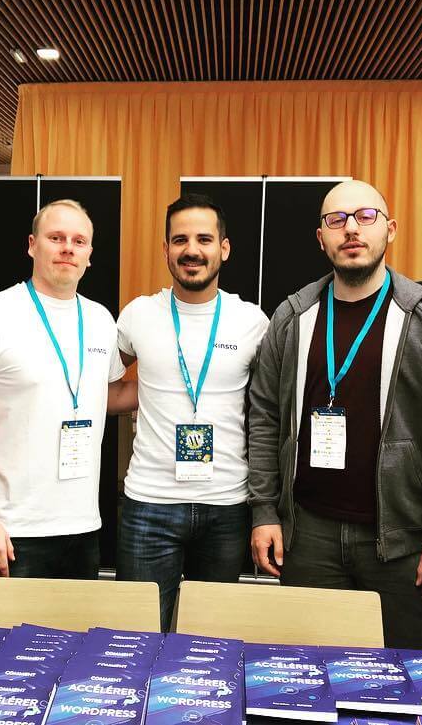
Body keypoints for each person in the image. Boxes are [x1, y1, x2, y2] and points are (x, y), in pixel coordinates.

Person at [248, 179, 422, 650]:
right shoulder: (292, 317)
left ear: (390, 229)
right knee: (307, 674)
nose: (352, 229)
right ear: (322, 238)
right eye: (336, 220)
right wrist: (264, 510)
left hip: (402, 542)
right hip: (308, 538)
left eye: (365, 216)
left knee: (403, 677)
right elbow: (264, 416)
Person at [0, 199, 135, 579]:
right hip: (10, 530)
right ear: (32, 245)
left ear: (89, 255)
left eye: (79, 241)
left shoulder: (100, 320)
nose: (68, 248)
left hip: (82, 526)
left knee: (76, 622)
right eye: (56, 237)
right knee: (5, 623)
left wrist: (171, 385)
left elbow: (109, 397)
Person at [116, 193, 268, 630]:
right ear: (166, 249)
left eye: (204, 239)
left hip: (226, 505)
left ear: (224, 248)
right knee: (138, 635)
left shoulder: (252, 321)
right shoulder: (138, 315)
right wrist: (153, 392)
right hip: (150, 504)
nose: (192, 250)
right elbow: (107, 389)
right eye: (180, 240)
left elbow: (267, 409)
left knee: (209, 640)